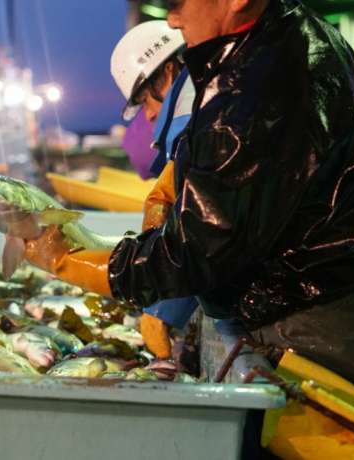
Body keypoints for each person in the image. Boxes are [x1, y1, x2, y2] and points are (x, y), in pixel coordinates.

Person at [23, 0, 354, 387]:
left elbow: (196, 249)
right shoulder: (292, 41)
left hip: (312, 329)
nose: (172, 18)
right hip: (330, 306)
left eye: (177, 3)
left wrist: (71, 263)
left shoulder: (254, 86)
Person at [111, 20, 199, 358]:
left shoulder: (191, 120)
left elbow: (204, 224)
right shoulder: (215, 97)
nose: (147, 116)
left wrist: (163, 309)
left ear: (169, 72)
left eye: (145, 99)